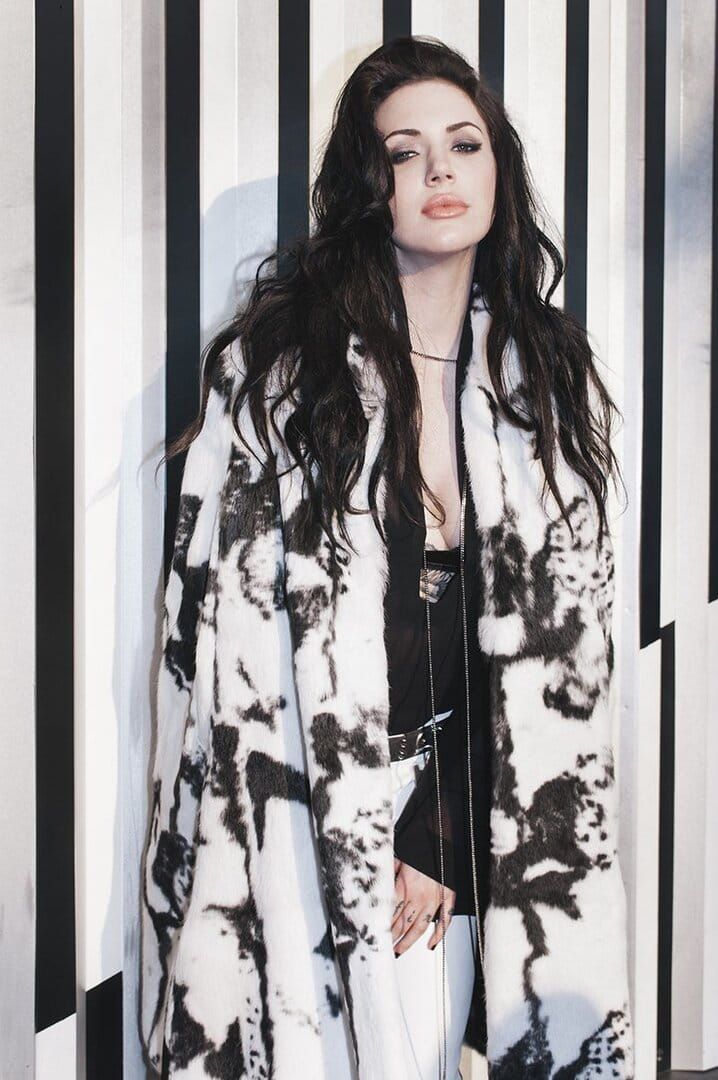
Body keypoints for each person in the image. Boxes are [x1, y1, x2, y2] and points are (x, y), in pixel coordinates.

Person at [141, 35, 635, 1080]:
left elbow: (565, 660)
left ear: (497, 166)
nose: (440, 170)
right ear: (369, 186)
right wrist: (364, 824)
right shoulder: (281, 378)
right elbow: (219, 657)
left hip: (485, 820)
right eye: (404, 153)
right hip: (306, 822)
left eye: (464, 143)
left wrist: (440, 830)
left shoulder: (545, 375)